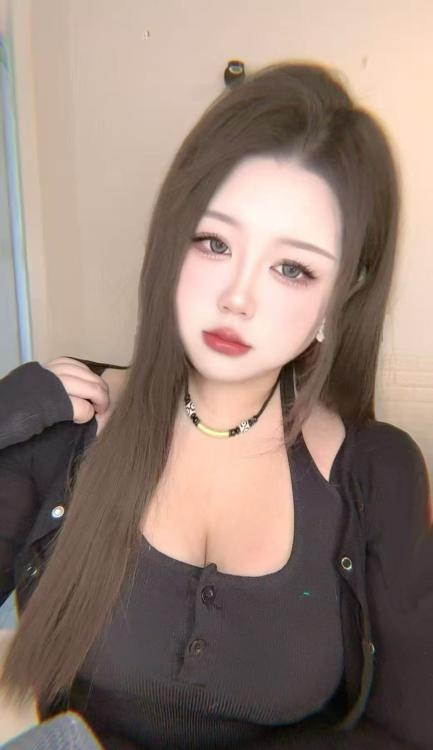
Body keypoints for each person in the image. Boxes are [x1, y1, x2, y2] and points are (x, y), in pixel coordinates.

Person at [0, 61, 432, 750]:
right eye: (213, 242)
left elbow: (406, 730)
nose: (238, 297)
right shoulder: (65, 423)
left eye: (292, 268)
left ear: (341, 296)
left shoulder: (375, 475)